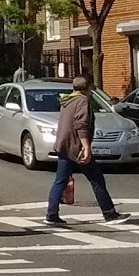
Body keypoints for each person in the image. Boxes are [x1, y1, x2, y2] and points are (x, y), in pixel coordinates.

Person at [44, 75, 131, 226]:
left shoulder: (67, 100)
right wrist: (86, 147)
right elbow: (81, 125)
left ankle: (51, 215)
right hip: (76, 148)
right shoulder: (82, 101)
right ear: (89, 88)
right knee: (97, 180)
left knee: (60, 181)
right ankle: (110, 214)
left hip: (64, 146)